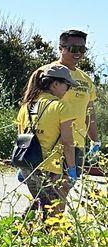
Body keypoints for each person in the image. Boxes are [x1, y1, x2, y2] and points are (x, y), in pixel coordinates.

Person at [16, 64, 78, 217]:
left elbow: (21, 136)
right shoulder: (61, 107)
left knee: (41, 201)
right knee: (51, 209)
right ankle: (24, 231)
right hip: (49, 167)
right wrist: (71, 170)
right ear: (55, 84)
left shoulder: (27, 106)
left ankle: (21, 230)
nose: (67, 90)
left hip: (27, 164)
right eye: (67, 85)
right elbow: (68, 143)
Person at [37, 29, 99, 175]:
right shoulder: (45, 73)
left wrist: (95, 141)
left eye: (82, 49)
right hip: (47, 144)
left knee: (59, 193)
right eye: (72, 48)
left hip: (76, 144)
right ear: (60, 48)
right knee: (48, 193)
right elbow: (30, 106)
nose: (77, 52)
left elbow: (89, 113)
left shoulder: (86, 80)